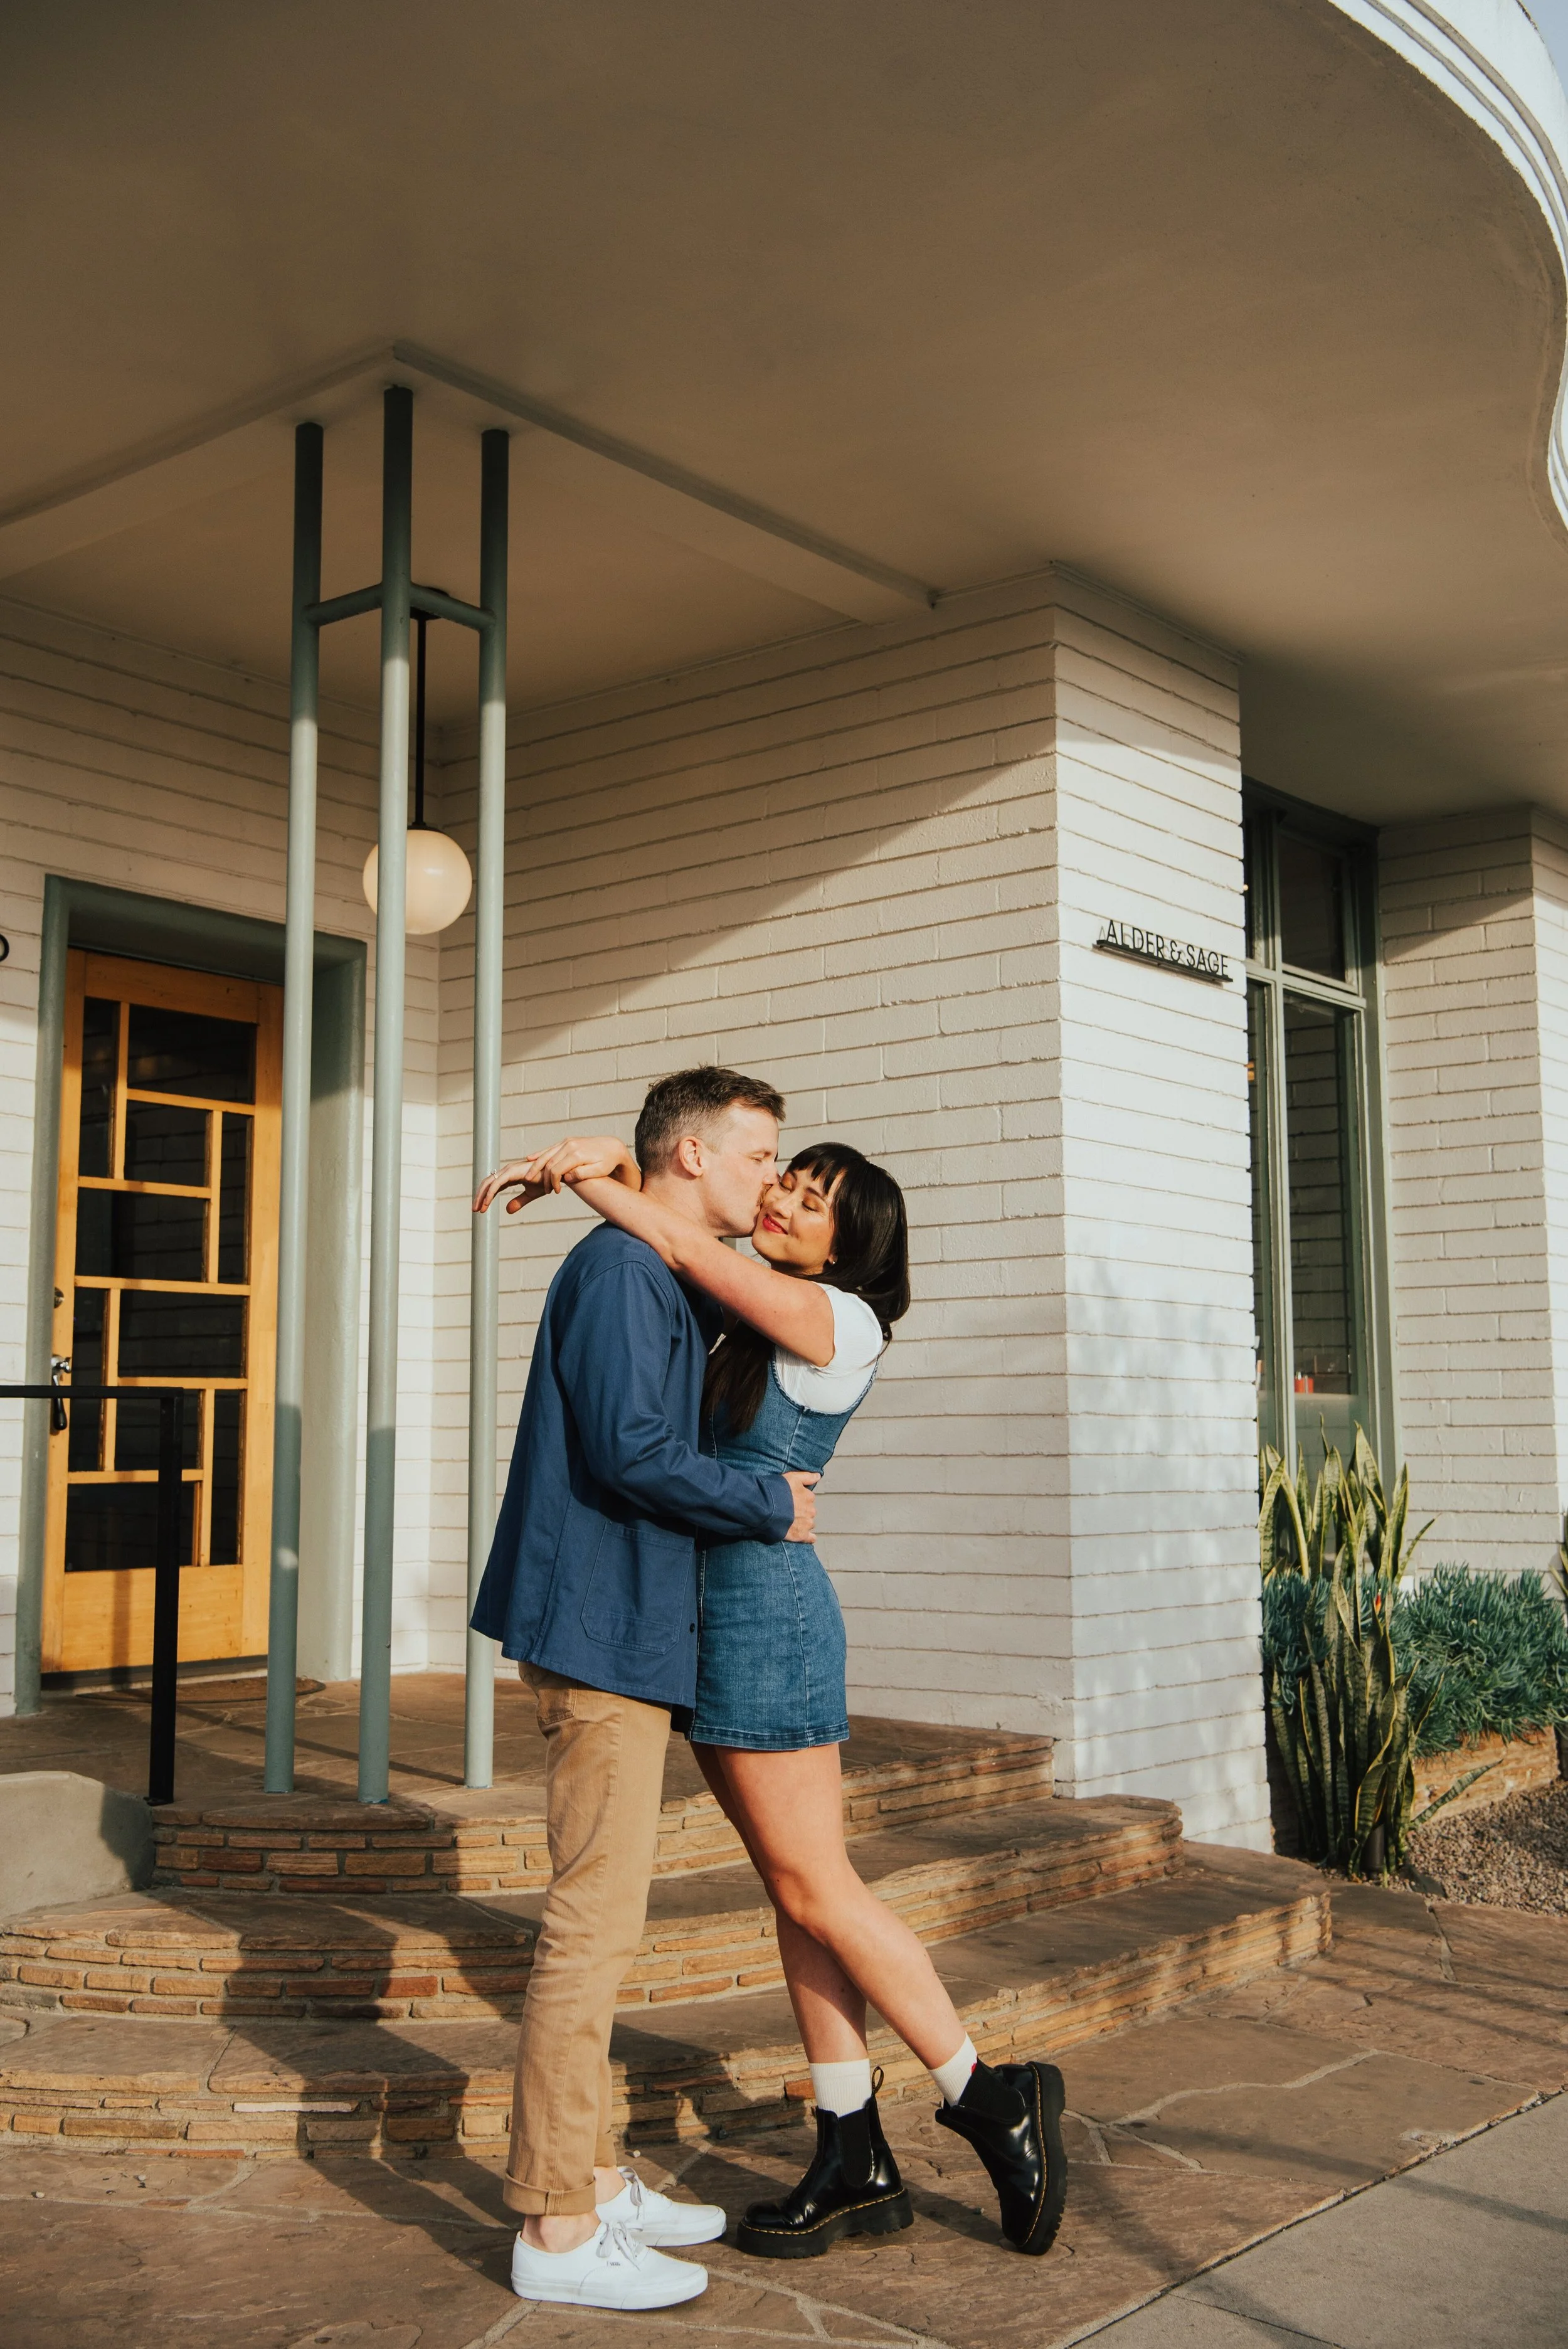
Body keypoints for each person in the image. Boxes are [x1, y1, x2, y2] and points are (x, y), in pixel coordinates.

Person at [496, 1123, 1068, 2264]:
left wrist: (596, 1177)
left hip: (770, 1619)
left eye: (813, 1200)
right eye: (788, 1181)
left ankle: (987, 2095)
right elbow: (688, 1247)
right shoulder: (751, 1309)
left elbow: (684, 1243)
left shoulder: (840, 1319)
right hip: (705, 1620)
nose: (785, 1202)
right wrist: (626, 1165)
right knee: (793, 1891)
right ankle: (851, 2148)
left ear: (850, 1245)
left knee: (821, 1886)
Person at [470, 1066, 824, 2313]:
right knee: (590, 1930)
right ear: (689, 1155)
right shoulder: (624, 1275)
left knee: (603, 1927)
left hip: (617, 1624)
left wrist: (604, 1172)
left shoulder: (648, 1259)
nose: (771, 1181)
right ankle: (556, 2228)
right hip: (599, 1630)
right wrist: (769, 1504)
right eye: (757, 1155)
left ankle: (596, 2178)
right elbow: (632, 1453)